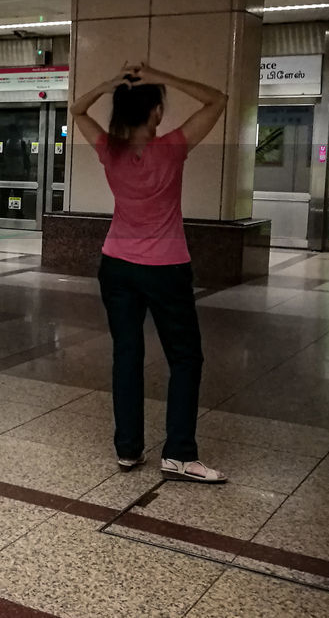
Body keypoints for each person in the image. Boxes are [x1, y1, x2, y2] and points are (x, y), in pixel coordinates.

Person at [72, 62, 228, 484]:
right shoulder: (173, 147)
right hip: (166, 268)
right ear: (157, 112)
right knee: (185, 357)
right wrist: (166, 75)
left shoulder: (110, 149)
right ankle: (178, 453)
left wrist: (107, 84)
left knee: (127, 353)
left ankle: (128, 449)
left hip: (116, 266)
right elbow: (218, 100)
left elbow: (76, 110)